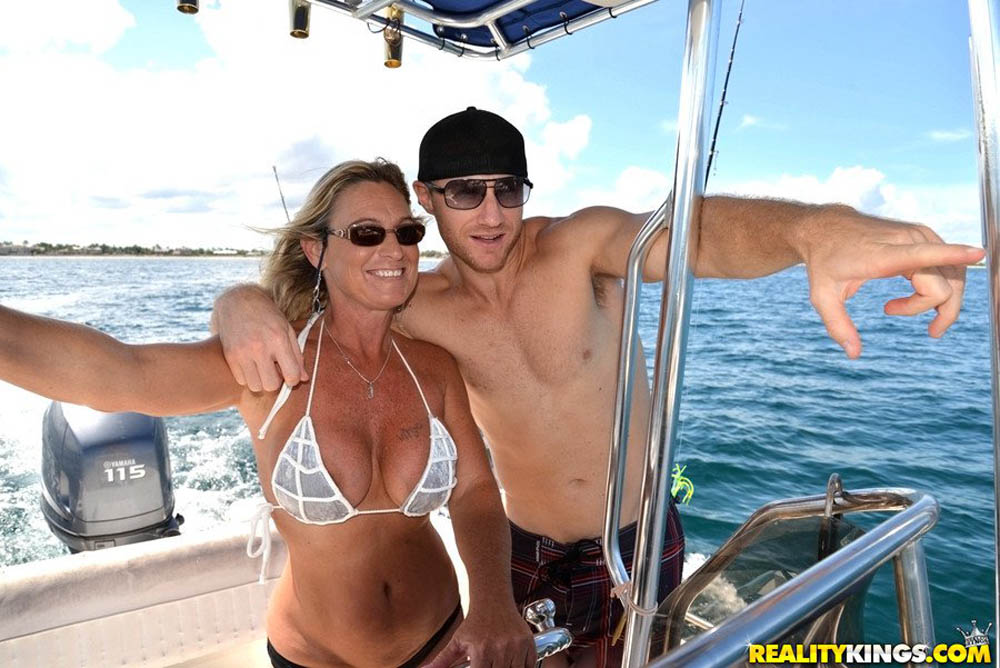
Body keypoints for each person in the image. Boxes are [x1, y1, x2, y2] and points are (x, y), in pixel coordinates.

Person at [211, 108, 986, 667]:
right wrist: (237, 301)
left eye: (508, 189)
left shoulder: (578, 250)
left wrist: (813, 231)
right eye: (464, 191)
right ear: (428, 197)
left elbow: (691, 233)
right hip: (522, 545)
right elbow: (312, 309)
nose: (491, 213)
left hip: (637, 535)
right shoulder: (415, 305)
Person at [0, 158, 537, 668]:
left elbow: (475, 491)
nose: (393, 249)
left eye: (407, 232)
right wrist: (236, 300)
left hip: (440, 642)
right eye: (366, 233)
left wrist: (494, 600)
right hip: (312, 656)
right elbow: (119, 373)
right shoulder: (270, 365)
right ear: (316, 250)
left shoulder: (434, 368)